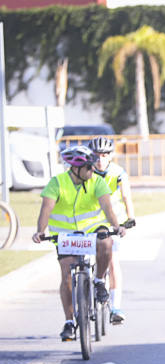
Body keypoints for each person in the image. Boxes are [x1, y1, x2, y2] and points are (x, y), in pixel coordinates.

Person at [31, 146, 127, 341]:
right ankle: (68, 322)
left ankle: (99, 280)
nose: (93, 171)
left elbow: (108, 209)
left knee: (106, 243)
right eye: (89, 168)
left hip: (92, 228)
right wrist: (40, 231)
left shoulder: (97, 182)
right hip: (65, 234)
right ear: (76, 169)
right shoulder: (56, 183)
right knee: (66, 273)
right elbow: (46, 209)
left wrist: (117, 227)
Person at [90, 136, 135, 324]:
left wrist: (129, 219)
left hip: (112, 222)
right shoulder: (84, 171)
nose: (100, 159)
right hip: (89, 221)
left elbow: (126, 196)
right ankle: (86, 295)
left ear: (110, 156)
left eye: (104, 155)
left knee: (113, 262)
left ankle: (115, 308)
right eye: (96, 155)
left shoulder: (118, 173)